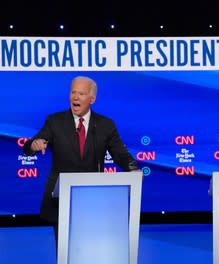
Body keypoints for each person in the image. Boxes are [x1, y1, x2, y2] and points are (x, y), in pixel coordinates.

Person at [22, 76, 138, 249]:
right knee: (65, 250)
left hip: (93, 198)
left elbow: (120, 153)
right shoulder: (55, 122)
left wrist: (132, 169)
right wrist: (34, 144)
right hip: (60, 199)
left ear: (92, 99)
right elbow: (30, 145)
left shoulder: (105, 125)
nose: (75, 97)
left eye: (81, 94)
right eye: (73, 92)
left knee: (91, 249)